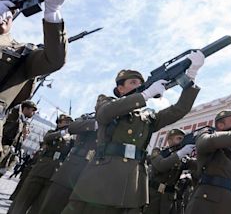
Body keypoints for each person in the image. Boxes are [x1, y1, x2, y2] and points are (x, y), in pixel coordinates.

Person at [63, 51, 204, 214]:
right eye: (133, 82)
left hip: (133, 185)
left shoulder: (148, 117)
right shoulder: (106, 102)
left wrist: (191, 75)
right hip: (102, 178)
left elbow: (179, 110)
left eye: (140, 83)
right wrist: (145, 94)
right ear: (120, 89)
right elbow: (103, 114)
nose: (137, 84)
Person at [8, 114, 74, 214]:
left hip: (54, 175)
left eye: (69, 122)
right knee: (24, 199)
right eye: (65, 121)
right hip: (40, 170)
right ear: (59, 123)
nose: (68, 124)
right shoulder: (52, 133)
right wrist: (63, 132)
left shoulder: (72, 139)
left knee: (39, 206)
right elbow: (47, 138)